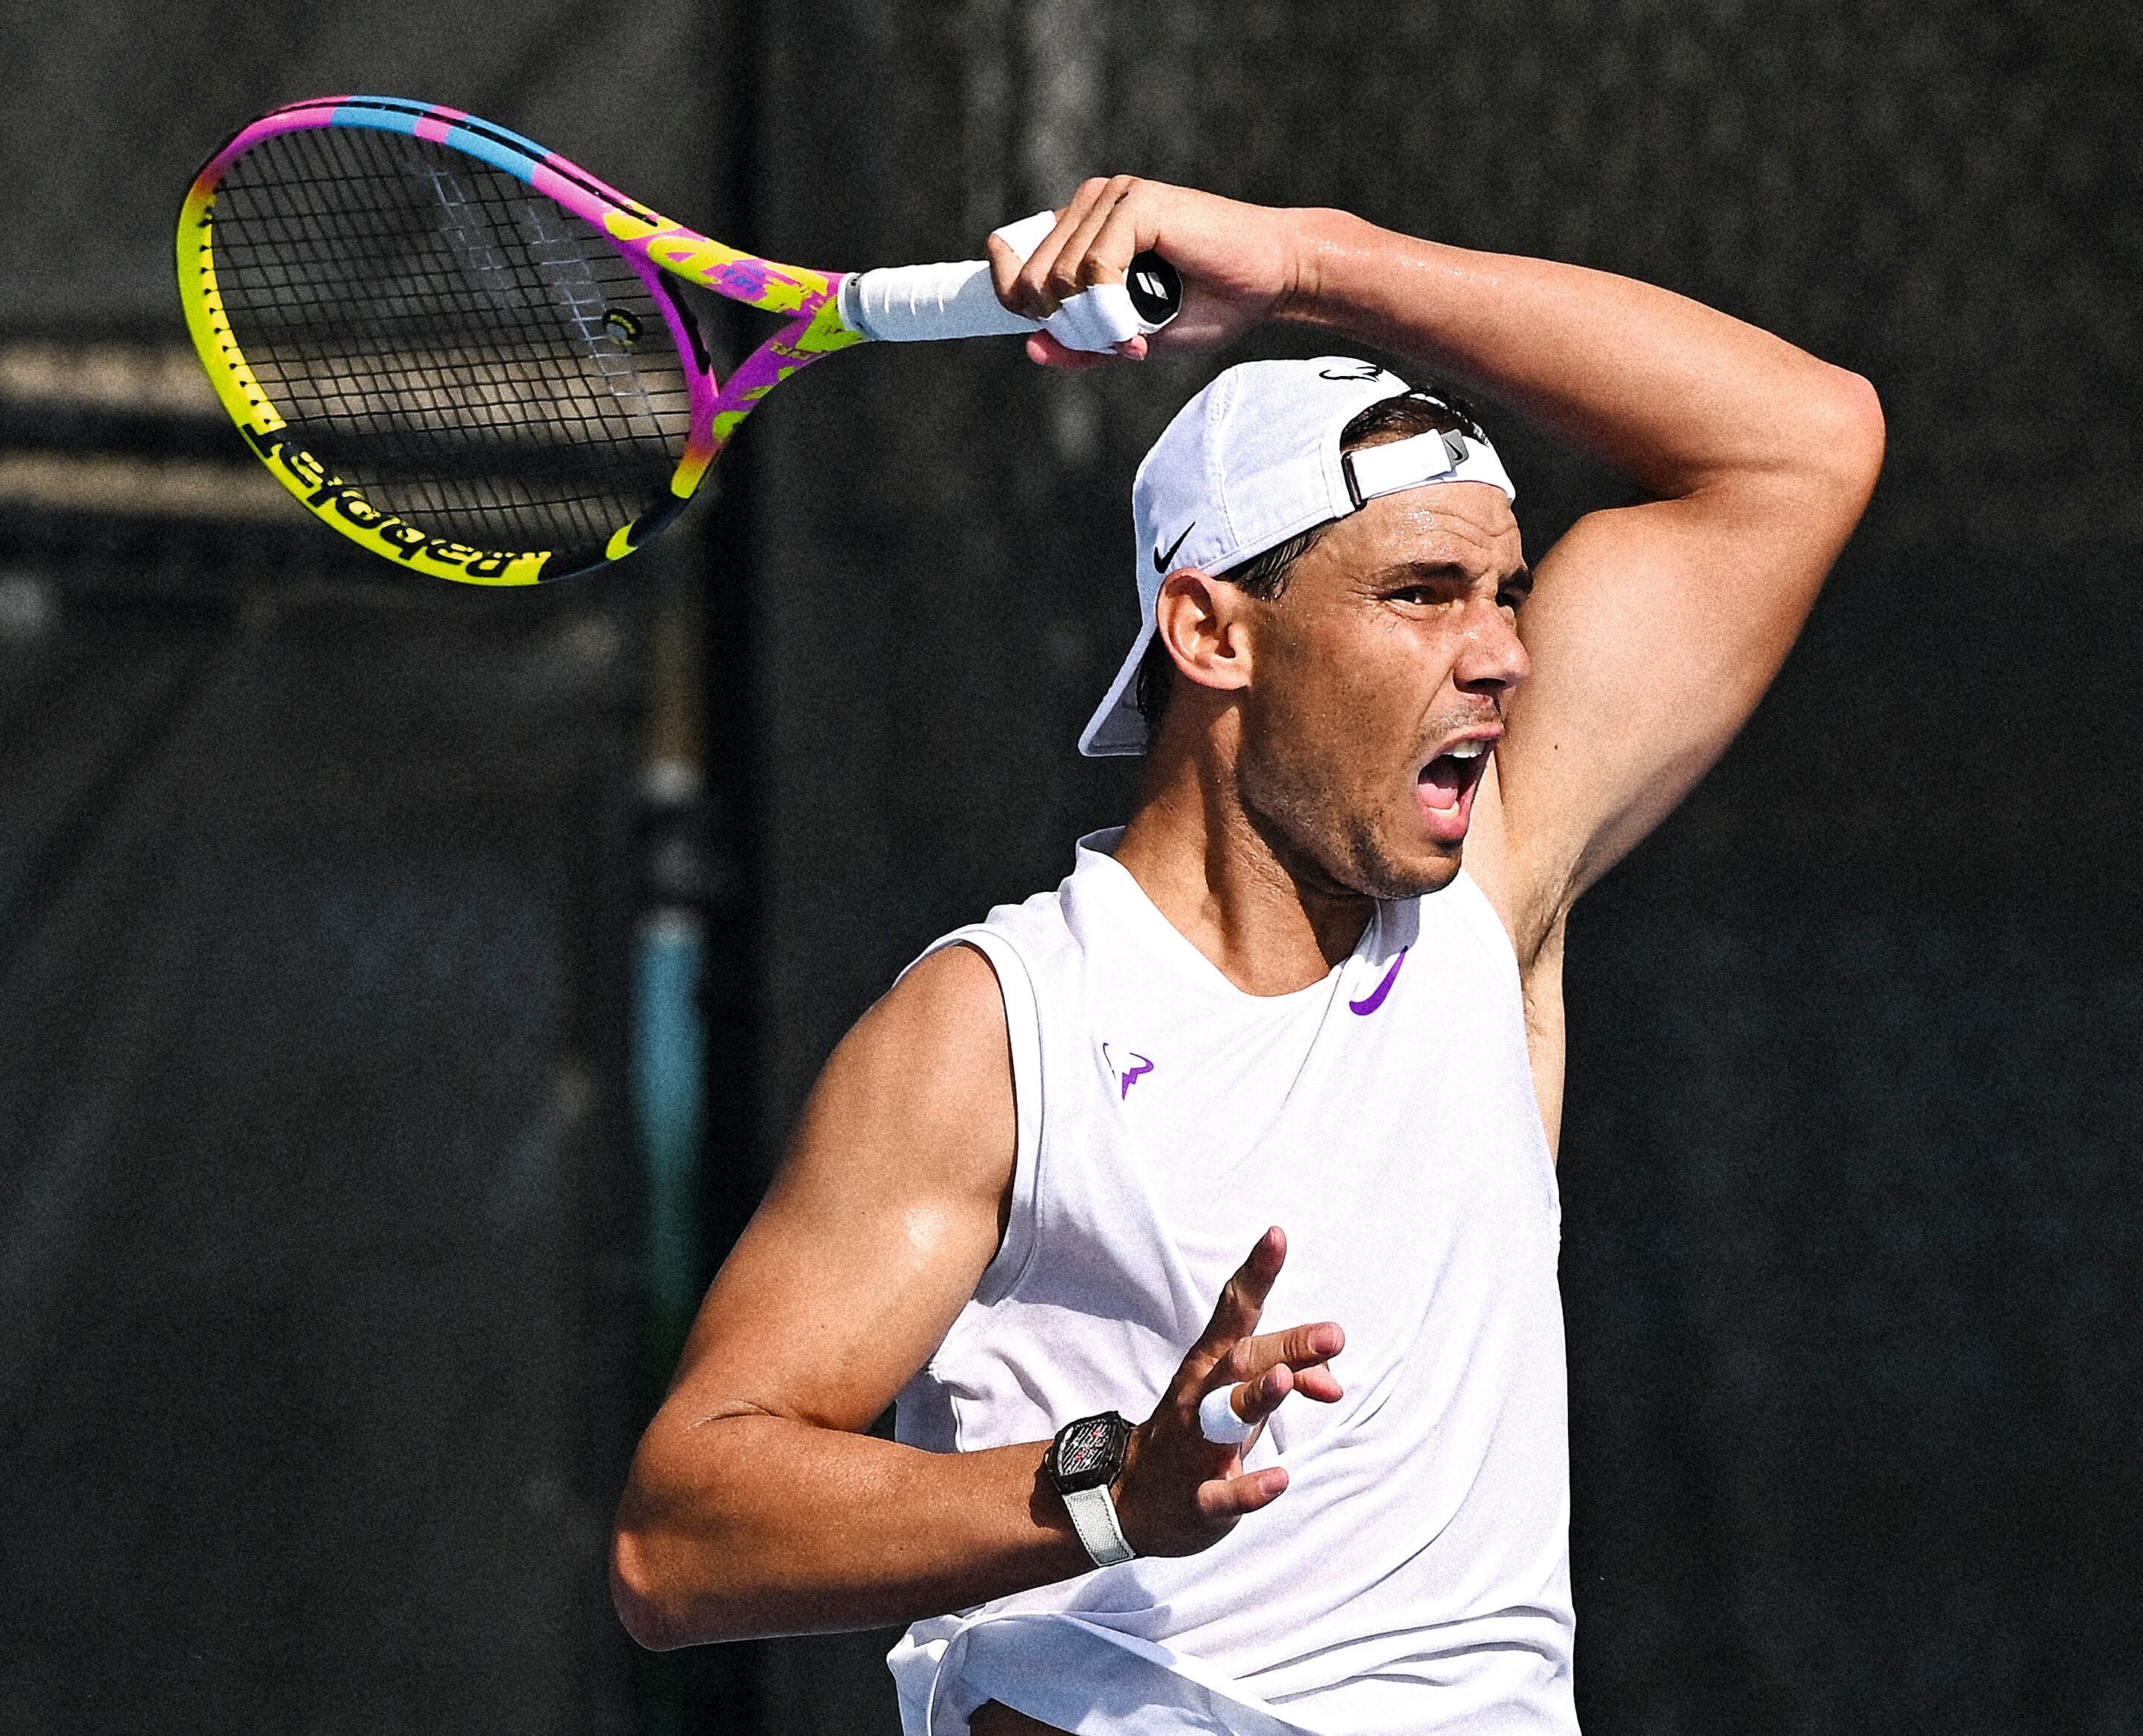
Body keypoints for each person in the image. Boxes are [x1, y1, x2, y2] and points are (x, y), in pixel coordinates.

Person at [609, 176, 1883, 1735]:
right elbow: (678, 1535)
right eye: (1418, 594)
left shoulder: (1481, 893)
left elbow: (1798, 439)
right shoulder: (999, 1028)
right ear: (1211, 634)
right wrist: (1107, 1491)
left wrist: (1305, 261)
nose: (1496, 655)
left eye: (1503, 597)